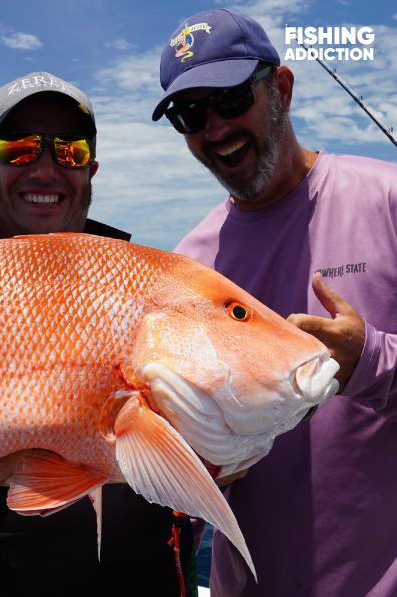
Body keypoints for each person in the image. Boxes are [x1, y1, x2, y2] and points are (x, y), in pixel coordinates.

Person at [0, 72, 198, 597]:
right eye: (21, 148)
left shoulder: (150, 300)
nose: (47, 168)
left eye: (70, 152)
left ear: (91, 172)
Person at [151, 8, 397, 596]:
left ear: (280, 88)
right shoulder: (188, 266)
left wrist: (371, 362)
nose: (215, 129)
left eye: (233, 99)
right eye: (190, 113)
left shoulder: (387, 200)